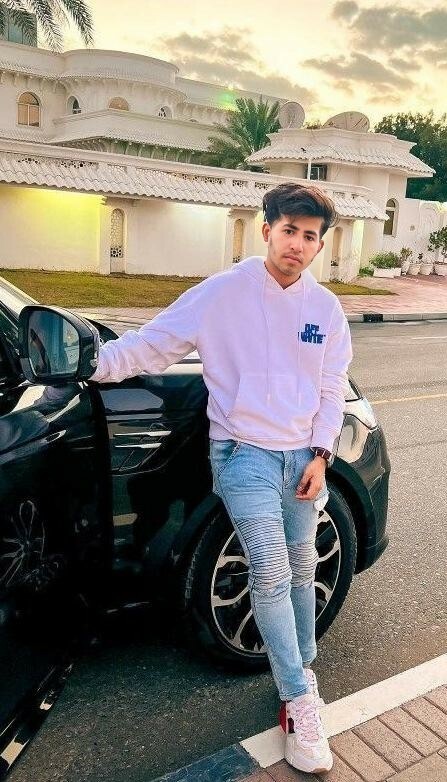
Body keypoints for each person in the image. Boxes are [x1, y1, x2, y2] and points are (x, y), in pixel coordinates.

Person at [90, 182, 352, 774]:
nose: (297, 244)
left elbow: (331, 386)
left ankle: (301, 665)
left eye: (310, 236)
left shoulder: (325, 309)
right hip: (243, 456)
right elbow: (151, 346)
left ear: (320, 245)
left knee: (303, 564)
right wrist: (89, 363)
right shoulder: (223, 293)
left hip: (301, 459)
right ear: (267, 230)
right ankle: (298, 698)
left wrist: (321, 454)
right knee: (271, 569)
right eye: (289, 231)